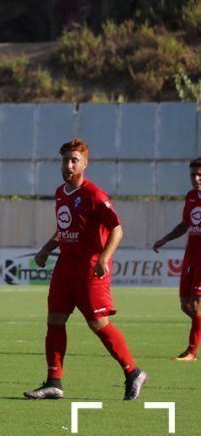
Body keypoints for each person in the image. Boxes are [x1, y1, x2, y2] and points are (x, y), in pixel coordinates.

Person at [24, 139, 147, 400]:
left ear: (85, 164)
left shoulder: (95, 196)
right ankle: (54, 382)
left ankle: (133, 372)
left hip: (90, 271)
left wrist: (104, 257)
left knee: (98, 323)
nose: (68, 165)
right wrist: (47, 248)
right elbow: (64, 229)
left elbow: (117, 229)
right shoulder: (61, 193)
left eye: (74, 160)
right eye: (65, 160)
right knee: (55, 321)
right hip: (64, 269)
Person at [152, 157, 201, 362]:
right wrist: (164, 239)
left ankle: (191, 351)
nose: (196, 178)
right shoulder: (191, 197)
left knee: (197, 304)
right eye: (193, 174)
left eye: (199, 174)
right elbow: (185, 224)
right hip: (191, 254)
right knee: (185, 304)